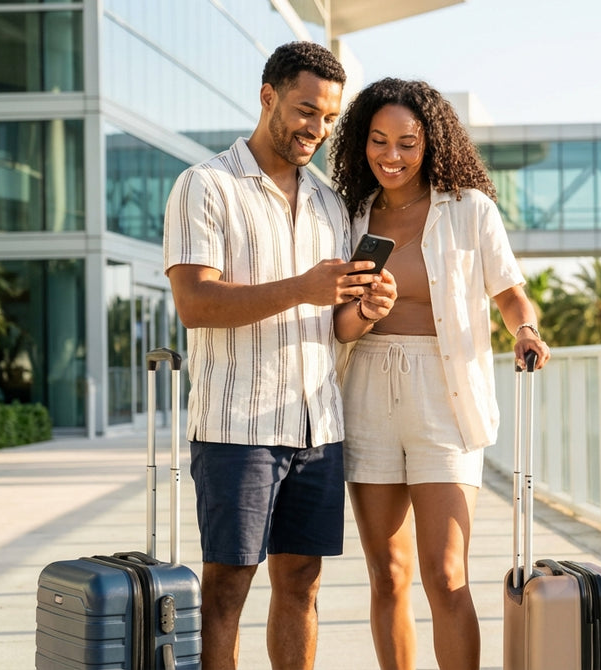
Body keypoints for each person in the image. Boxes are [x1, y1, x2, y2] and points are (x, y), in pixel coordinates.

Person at [162, 42, 397, 670]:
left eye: (327, 118)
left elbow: (336, 324)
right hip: (237, 425)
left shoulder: (329, 203)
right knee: (227, 589)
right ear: (268, 97)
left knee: (302, 583)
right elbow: (195, 302)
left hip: (318, 427)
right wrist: (302, 287)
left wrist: (365, 310)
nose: (315, 130)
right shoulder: (204, 186)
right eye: (304, 111)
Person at [329, 77, 551, 670]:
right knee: (387, 574)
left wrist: (525, 330)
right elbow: (337, 320)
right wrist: (362, 312)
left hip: (444, 394)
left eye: (407, 142)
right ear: (361, 143)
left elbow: (509, 294)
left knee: (446, 574)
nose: (392, 156)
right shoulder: (348, 215)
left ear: (432, 142)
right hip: (367, 390)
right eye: (378, 141)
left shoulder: (469, 209)